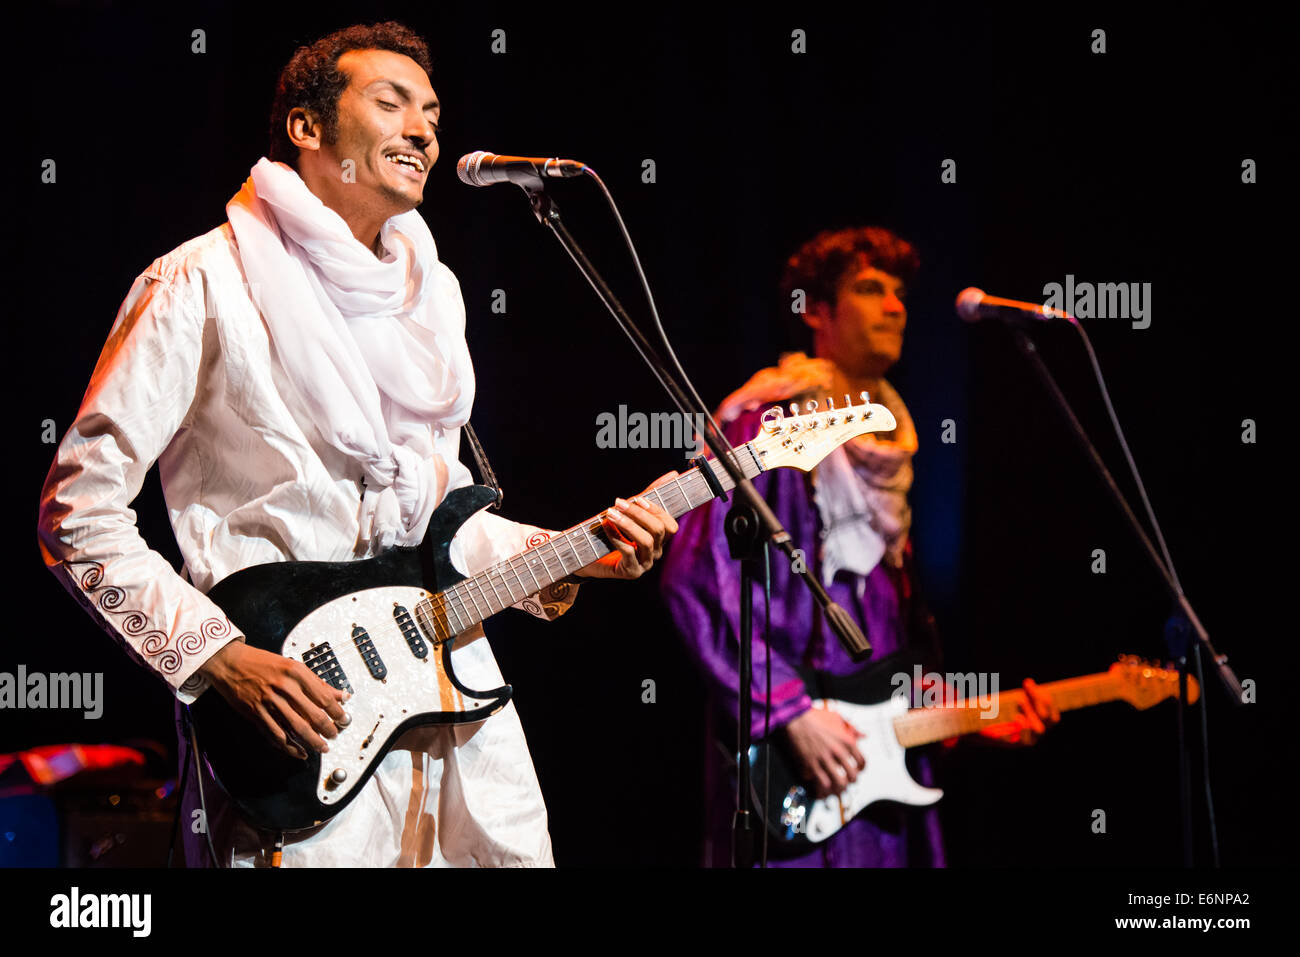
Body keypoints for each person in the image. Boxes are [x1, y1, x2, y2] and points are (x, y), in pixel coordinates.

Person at [36, 22, 676, 868]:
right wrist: (217, 655)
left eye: (434, 113)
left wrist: (574, 553)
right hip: (297, 720)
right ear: (307, 129)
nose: (424, 130)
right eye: (392, 103)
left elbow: (441, 523)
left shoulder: (431, 299)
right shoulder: (200, 282)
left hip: (461, 715)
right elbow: (79, 514)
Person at [660, 226, 1057, 867]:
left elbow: (886, 635)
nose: (896, 306)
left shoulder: (890, 447)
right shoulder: (768, 423)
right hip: (793, 766)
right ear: (815, 311)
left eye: (900, 292)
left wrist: (967, 718)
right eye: (871, 289)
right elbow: (696, 578)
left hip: (879, 780)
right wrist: (784, 710)